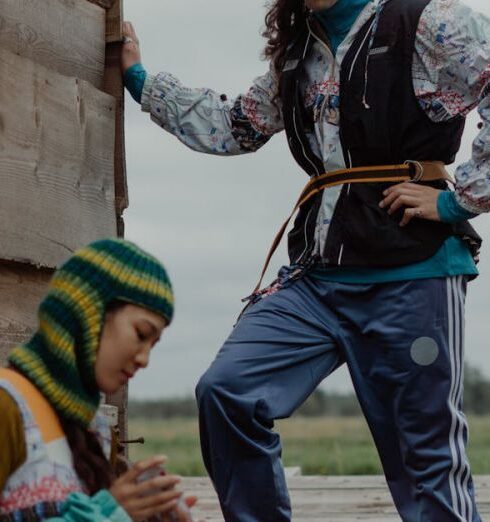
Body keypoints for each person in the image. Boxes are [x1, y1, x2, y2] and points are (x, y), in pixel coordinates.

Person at [121, 0, 490, 519]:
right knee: (228, 391)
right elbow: (233, 126)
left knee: (424, 454)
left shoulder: (427, 21)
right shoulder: (299, 52)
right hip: (317, 278)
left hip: (413, 273)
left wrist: (457, 199)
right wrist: (137, 78)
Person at [0, 238, 196, 521]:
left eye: (153, 345)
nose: (144, 359)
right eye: (141, 334)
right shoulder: (8, 406)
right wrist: (108, 513)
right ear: (87, 313)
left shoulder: (96, 430)